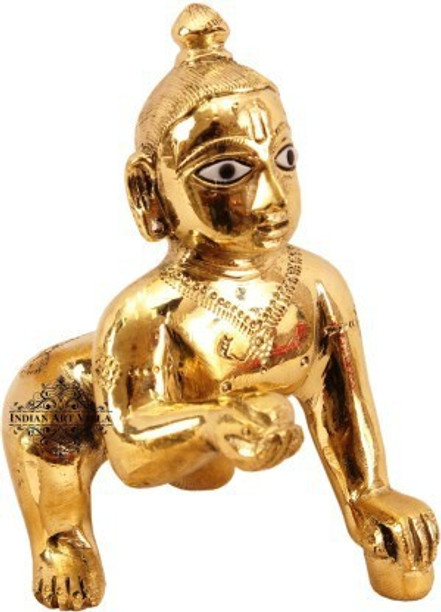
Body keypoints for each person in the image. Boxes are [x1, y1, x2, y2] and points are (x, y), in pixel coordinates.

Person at [3, 4, 438, 609]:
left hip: (226, 431)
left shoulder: (317, 287)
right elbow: (129, 453)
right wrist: (209, 425)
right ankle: (61, 533)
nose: (271, 197)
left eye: (284, 159)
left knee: (386, 535)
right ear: (148, 189)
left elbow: (344, 404)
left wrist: (370, 495)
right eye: (228, 170)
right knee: (43, 398)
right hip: (122, 412)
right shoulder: (146, 313)